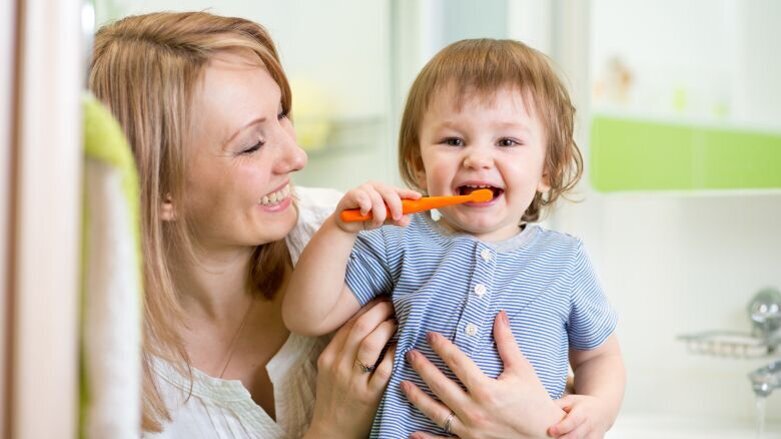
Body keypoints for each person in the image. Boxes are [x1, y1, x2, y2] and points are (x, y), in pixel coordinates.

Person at [90, 12, 568, 439]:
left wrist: (533, 429)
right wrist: (332, 429)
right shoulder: (91, 362)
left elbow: (547, 379)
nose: (297, 157)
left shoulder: (370, 236)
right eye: (252, 145)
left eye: (283, 115)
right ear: (158, 192)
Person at [284, 38, 626, 438]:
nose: (477, 159)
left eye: (507, 142)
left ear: (547, 170)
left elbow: (599, 357)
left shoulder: (564, 260)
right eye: (454, 141)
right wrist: (339, 230)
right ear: (418, 162)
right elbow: (307, 316)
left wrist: (599, 410)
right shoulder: (398, 240)